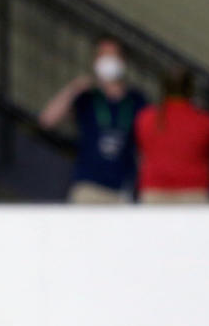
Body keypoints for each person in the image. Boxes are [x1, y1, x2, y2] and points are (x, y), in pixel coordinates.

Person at [40, 36, 148, 203]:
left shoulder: (136, 100)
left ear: (122, 61)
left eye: (112, 56)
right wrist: (73, 88)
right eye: (102, 56)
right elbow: (47, 120)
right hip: (88, 186)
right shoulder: (87, 97)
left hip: (122, 188)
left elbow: (146, 144)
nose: (107, 61)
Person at [135, 66, 209, 203]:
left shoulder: (146, 119)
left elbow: (141, 150)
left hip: (156, 190)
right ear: (190, 89)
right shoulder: (204, 120)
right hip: (193, 191)